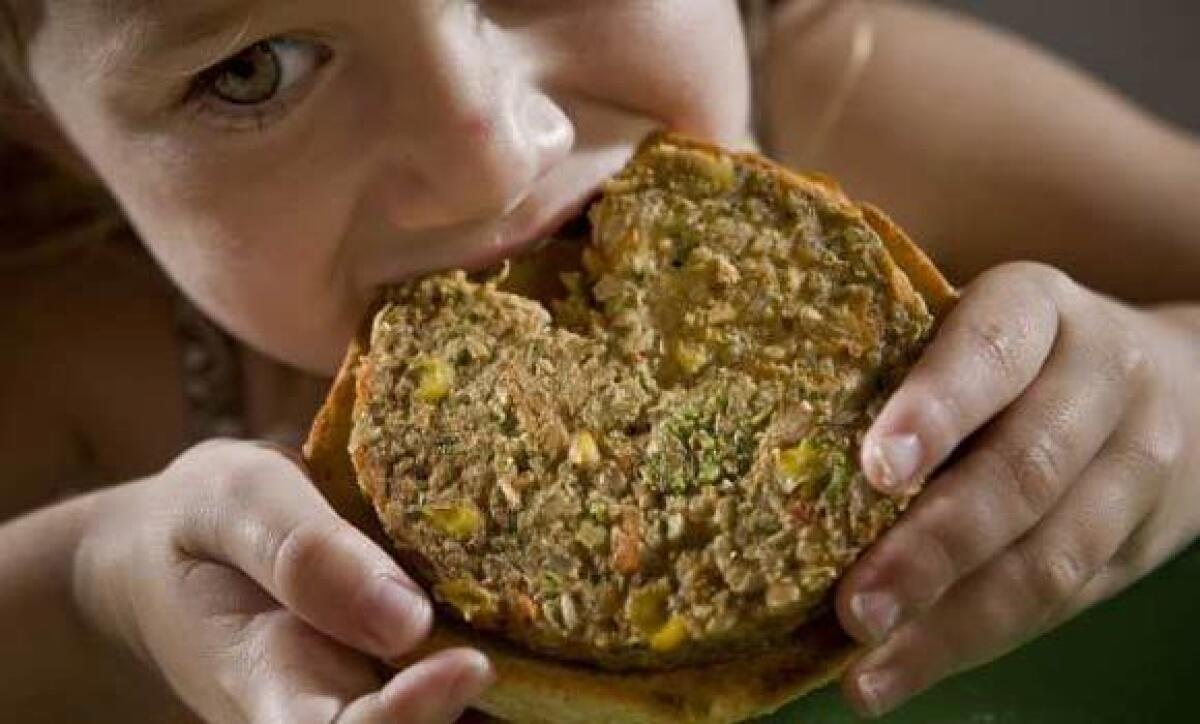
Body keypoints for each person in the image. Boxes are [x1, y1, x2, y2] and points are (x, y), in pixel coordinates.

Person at [1, 0, 1197, 721]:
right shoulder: (66, 345)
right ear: (54, 136)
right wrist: (89, 594)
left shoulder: (853, 98)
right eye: (252, 68)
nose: (489, 151)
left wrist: (1179, 380)